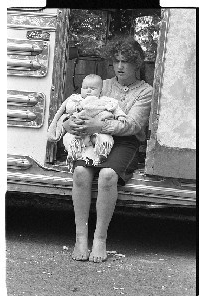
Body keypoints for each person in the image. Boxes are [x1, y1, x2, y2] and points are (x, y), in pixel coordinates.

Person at [52, 35, 153, 263]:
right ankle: (80, 237)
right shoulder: (103, 85)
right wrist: (68, 123)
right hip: (93, 138)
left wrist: (100, 124)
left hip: (125, 142)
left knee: (108, 176)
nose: (119, 66)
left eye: (125, 61)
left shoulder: (145, 91)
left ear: (136, 63)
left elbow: (133, 125)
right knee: (80, 173)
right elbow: (78, 106)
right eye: (116, 60)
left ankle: (100, 238)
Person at [47, 74, 127, 169]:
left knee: (106, 139)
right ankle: (73, 154)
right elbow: (68, 107)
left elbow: (116, 108)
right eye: (85, 88)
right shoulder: (76, 99)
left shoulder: (105, 100)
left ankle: (102, 154)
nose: (88, 91)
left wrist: (120, 116)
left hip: (98, 130)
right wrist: (76, 107)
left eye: (93, 89)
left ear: (100, 91)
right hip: (80, 130)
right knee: (70, 138)